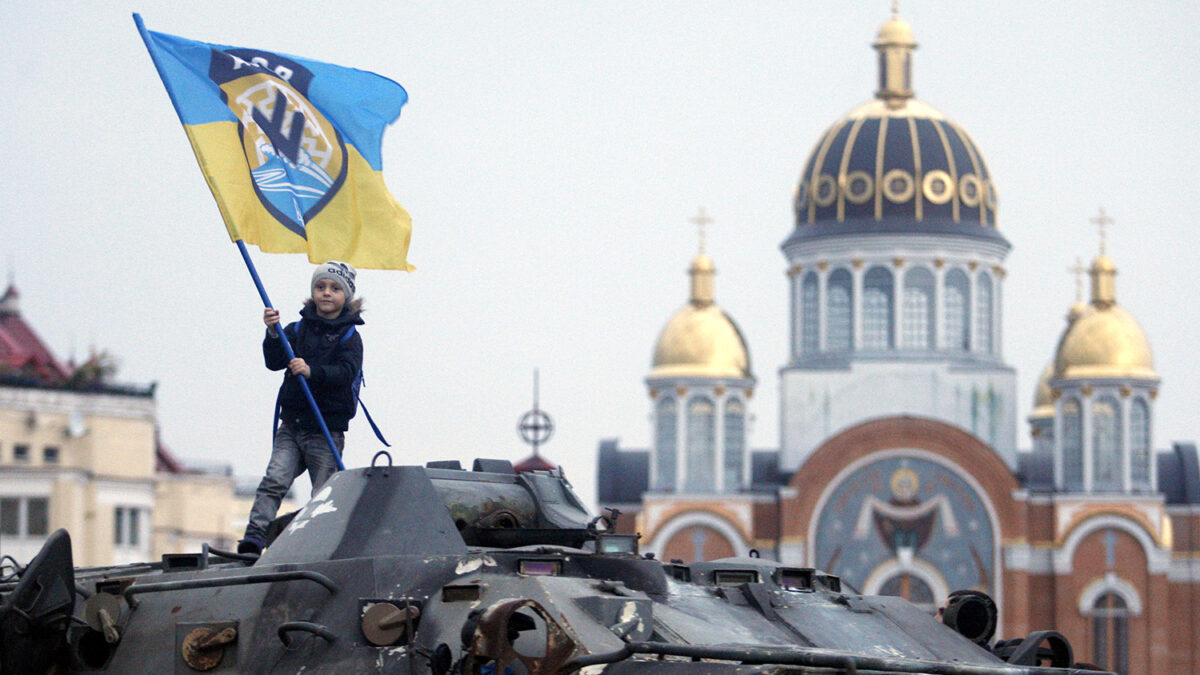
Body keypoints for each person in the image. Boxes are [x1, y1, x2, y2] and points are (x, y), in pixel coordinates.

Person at [238, 261, 364, 555]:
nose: (326, 293)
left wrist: (312, 371)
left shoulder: (350, 337)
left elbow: (346, 373)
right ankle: (254, 537)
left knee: (324, 495)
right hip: (293, 425)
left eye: (334, 288)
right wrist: (272, 333)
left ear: (346, 296)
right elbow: (274, 361)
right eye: (320, 287)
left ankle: (319, 546)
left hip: (325, 429)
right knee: (274, 480)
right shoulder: (296, 329)